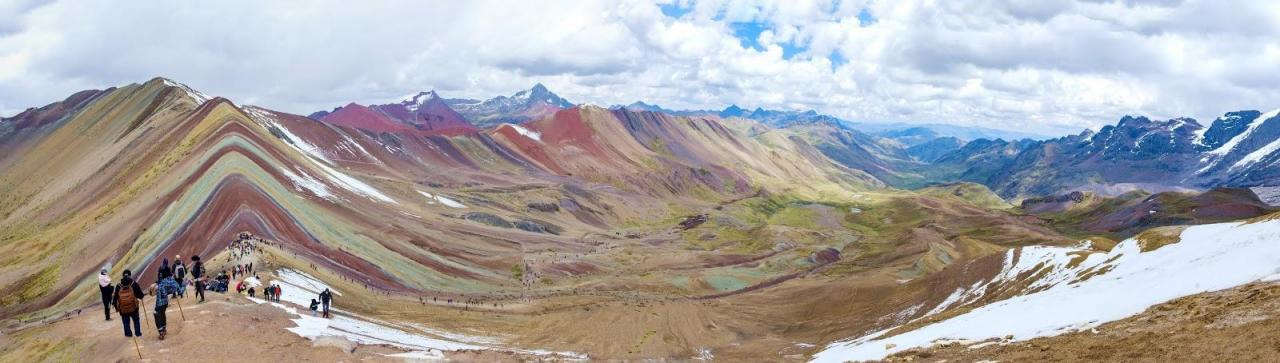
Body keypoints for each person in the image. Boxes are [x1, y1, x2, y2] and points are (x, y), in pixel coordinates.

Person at [112, 270, 145, 338]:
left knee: (125, 322)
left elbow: (115, 298)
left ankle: (128, 334)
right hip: (134, 308)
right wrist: (140, 297)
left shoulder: (118, 286)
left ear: (122, 276)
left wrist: (116, 308)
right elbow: (141, 295)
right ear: (130, 275)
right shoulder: (133, 284)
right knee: (136, 320)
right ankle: (138, 333)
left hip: (123, 309)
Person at [153, 266, 180, 340]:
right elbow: (177, 287)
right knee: (162, 313)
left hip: (160, 302)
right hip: (165, 302)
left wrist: (166, 292)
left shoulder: (163, 281)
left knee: (156, 314)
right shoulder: (169, 279)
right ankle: (164, 328)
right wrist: (170, 292)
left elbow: (163, 291)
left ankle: (161, 332)